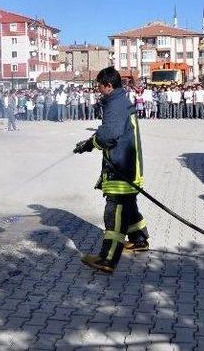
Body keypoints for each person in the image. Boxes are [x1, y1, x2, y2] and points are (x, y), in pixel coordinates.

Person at [74, 67, 149, 274]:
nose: (98, 90)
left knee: (114, 210)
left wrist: (91, 143)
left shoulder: (115, 104)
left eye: (99, 86)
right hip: (128, 164)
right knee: (128, 205)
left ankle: (107, 259)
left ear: (108, 86)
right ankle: (139, 239)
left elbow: (109, 135)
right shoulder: (119, 101)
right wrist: (90, 142)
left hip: (121, 167)